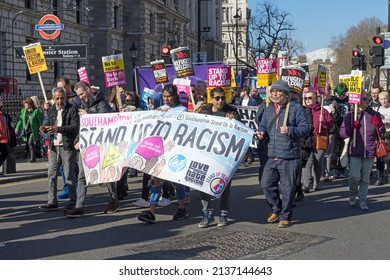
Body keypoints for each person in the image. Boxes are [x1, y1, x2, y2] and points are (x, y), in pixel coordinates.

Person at [256, 80, 310, 228]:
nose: (275, 94)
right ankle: (276, 208)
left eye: (278, 91)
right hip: (271, 155)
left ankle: (285, 216)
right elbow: (263, 125)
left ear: (286, 94)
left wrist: (291, 130)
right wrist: (261, 132)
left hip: (289, 156)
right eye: (273, 91)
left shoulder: (296, 108)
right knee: (266, 184)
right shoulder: (269, 109)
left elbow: (305, 128)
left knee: (287, 188)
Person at [65, 81, 119, 218]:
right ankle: (79, 206)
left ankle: (114, 200)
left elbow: (106, 121)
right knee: (82, 175)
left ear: (88, 89)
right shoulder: (81, 105)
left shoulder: (101, 103)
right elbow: (81, 127)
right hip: (87, 145)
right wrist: (77, 140)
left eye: (82, 94)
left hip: (103, 145)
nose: (81, 97)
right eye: (78, 95)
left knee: (107, 174)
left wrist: (88, 113)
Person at [137, 84, 189, 223]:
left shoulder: (182, 109)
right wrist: (157, 114)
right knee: (156, 179)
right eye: (164, 96)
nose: (165, 99)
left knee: (178, 181)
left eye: (168, 96)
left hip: (176, 149)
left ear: (174, 96)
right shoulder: (161, 108)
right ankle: (151, 211)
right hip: (161, 150)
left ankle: (182, 207)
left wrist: (169, 114)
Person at [197, 86, 241, 228]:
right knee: (203, 184)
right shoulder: (204, 111)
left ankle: (223, 214)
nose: (220, 101)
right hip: (207, 154)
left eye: (223, 98)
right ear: (211, 99)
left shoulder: (232, 111)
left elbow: (241, 131)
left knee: (224, 186)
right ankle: (207, 214)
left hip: (224, 157)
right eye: (217, 98)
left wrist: (234, 121)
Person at [339, 92, 384, 211]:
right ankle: (352, 194)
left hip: (369, 151)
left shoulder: (374, 114)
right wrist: (351, 127)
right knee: (354, 176)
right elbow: (342, 133)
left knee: (365, 179)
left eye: (366, 99)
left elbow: (381, 132)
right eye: (362, 99)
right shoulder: (350, 115)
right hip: (355, 150)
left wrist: (378, 125)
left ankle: (363, 200)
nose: (365, 101)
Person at [38, 87, 79, 212]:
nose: (59, 101)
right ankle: (52, 201)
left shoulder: (72, 109)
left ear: (66, 98)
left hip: (67, 146)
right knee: (51, 174)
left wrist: (58, 129)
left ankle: (73, 201)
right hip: (54, 146)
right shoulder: (51, 110)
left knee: (69, 175)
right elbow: (46, 124)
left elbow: (75, 126)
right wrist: (44, 128)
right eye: (57, 98)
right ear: (53, 98)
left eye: (62, 98)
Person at [301, 90, 334, 192]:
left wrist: (323, 121)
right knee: (307, 162)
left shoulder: (323, 111)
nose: (307, 100)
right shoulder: (302, 111)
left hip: (320, 139)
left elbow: (331, 126)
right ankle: (306, 184)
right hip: (307, 140)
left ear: (316, 99)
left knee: (317, 161)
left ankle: (317, 182)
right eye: (306, 98)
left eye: (310, 98)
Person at [15, 97, 43, 163]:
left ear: (30, 104)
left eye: (26, 104)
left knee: (30, 142)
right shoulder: (23, 111)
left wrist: (41, 128)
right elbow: (20, 120)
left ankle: (33, 157)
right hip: (26, 130)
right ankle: (34, 155)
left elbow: (40, 121)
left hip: (34, 130)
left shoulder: (36, 111)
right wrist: (17, 128)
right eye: (24, 104)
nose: (25, 105)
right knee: (28, 143)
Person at [375, 91, 390, 185]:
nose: (383, 101)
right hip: (380, 135)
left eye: (385, 98)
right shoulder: (377, 109)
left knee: (388, 158)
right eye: (381, 99)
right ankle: (379, 178)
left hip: (389, 135)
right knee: (380, 157)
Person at [0, 98, 16, 175]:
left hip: (3, 138)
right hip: (1, 137)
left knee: (5, 153)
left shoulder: (4, 114)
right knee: (5, 153)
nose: (1, 102)